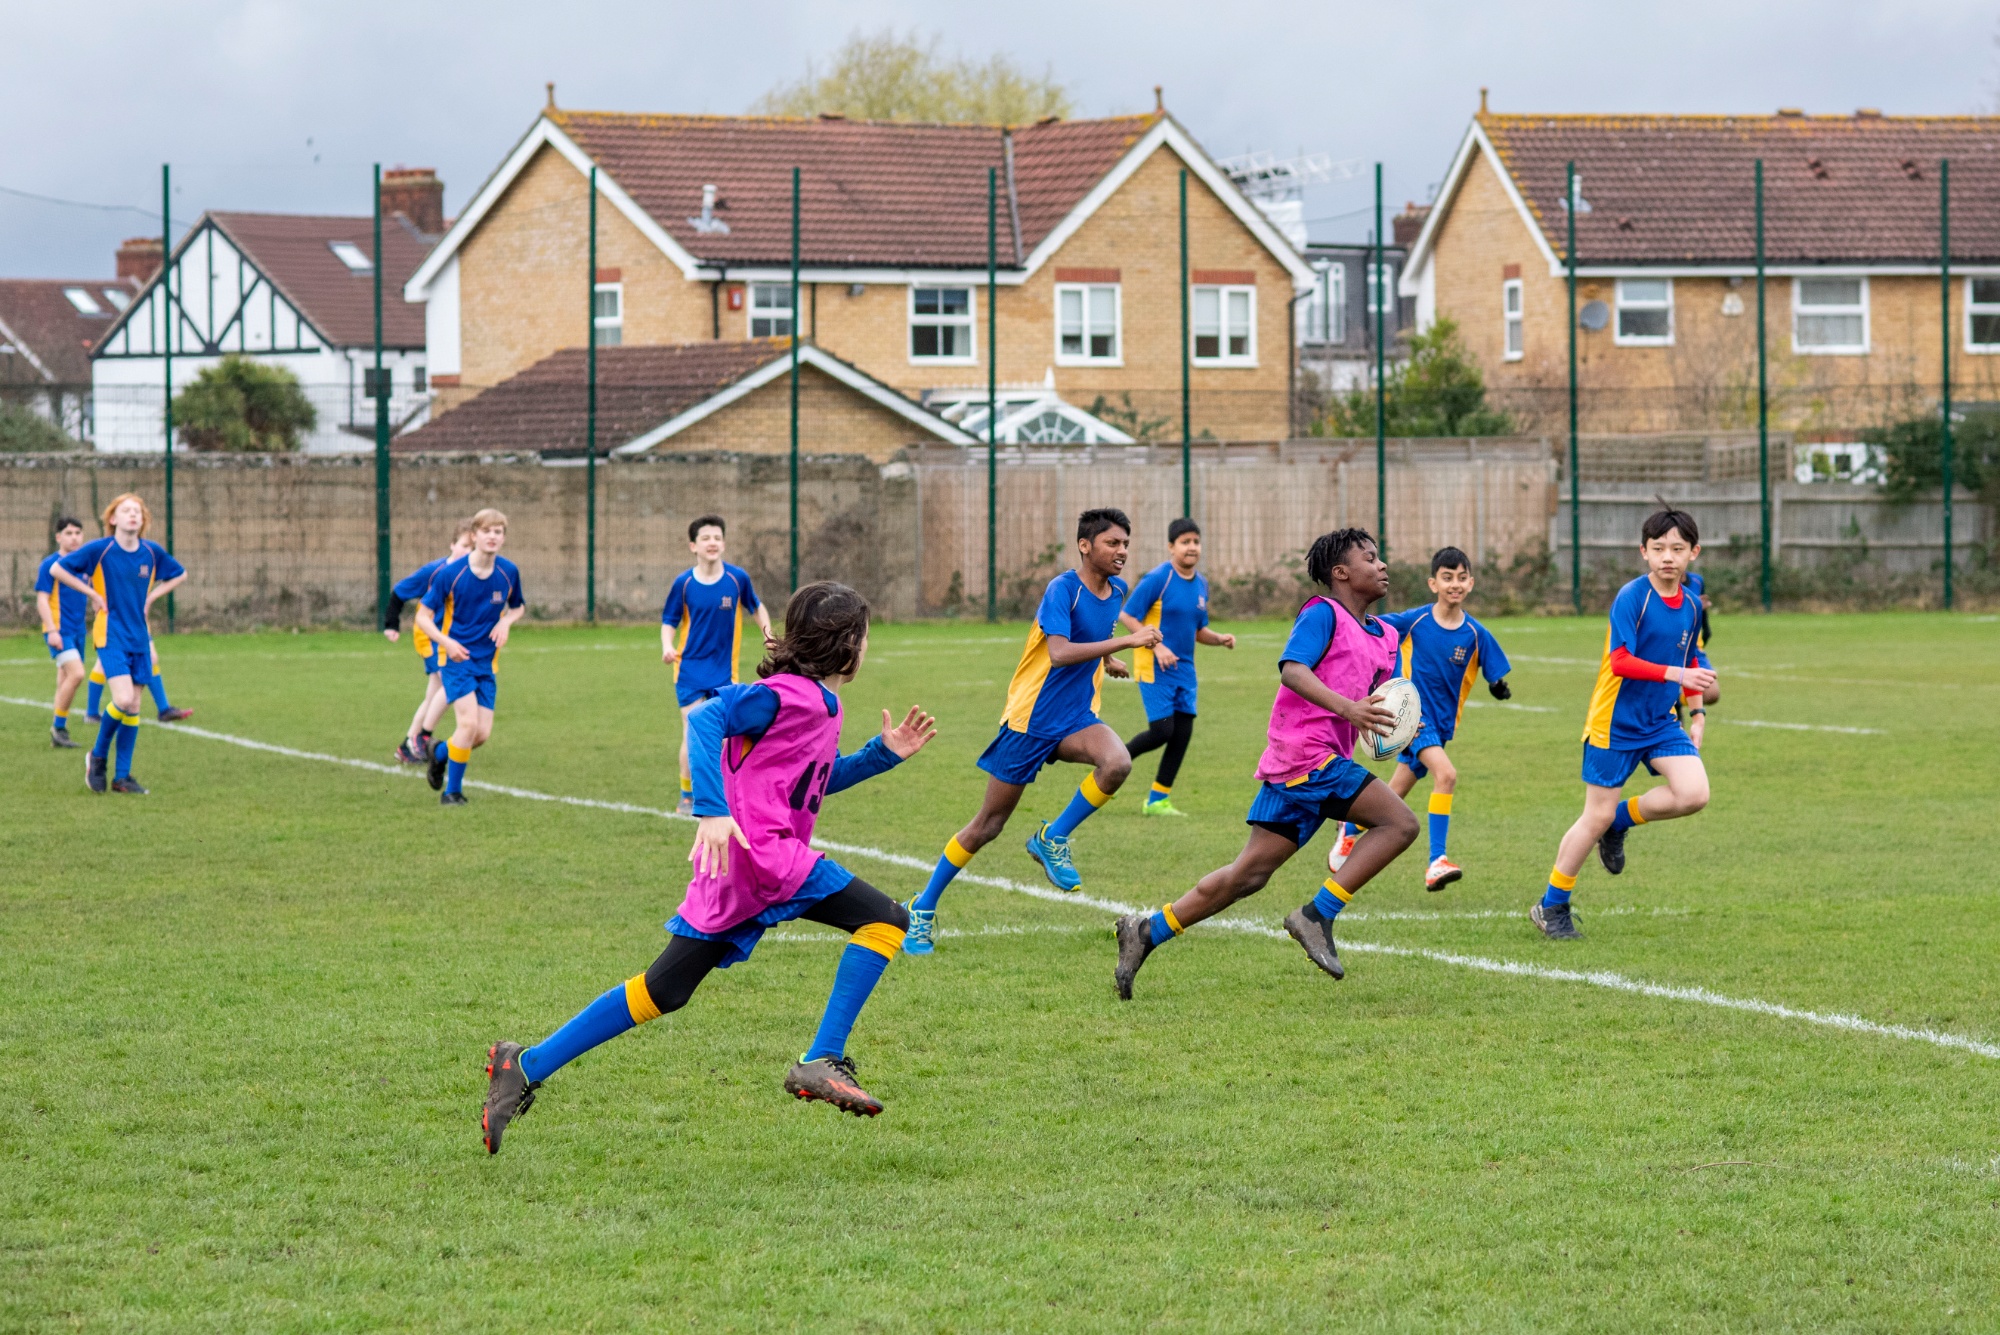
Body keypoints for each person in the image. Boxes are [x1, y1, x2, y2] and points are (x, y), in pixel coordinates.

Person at [480, 582, 938, 1151]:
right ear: (846, 643)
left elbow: (808, 787)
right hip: (765, 856)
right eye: (865, 637)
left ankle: (524, 1064)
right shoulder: (786, 695)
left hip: (745, 866)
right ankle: (820, 1059)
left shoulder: (822, 703)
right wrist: (711, 811)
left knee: (664, 989)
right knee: (887, 920)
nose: (868, 647)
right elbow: (705, 717)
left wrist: (879, 756)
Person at [1113, 528, 1417, 1000]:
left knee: (1247, 875)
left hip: (1315, 762)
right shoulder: (1322, 614)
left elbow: (1373, 703)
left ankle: (1146, 931)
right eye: (1370, 558)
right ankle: (1317, 914)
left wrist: (1391, 726)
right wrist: (1349, 709)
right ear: (1340, 573)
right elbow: (1293, 671)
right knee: (1400, 823)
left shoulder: (1387, 636)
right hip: (1305, 755)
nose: (1382, 565)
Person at [904, 508, 1162, 954]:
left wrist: (1107, 661)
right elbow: (1059, 652)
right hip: (1030, 721)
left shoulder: (1117, 590)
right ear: (1086, 546)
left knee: (1117, 762)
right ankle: (922, 909)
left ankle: (1052, 837)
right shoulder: (1061, 590)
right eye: (1112, 543)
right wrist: (1125, 644)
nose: (1122, 552)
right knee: (987, 825)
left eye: (1125, 543)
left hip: (1077, 716)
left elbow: (1093, 636)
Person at [1533, 507, 1714, 940]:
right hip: (1613, 722)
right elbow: (1621, 661)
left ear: (1694, 552)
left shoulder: (1691, 605)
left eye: (1677, 548)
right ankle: (1551, 905)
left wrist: (1699, 711)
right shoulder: (1633, 596)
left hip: (1661, 721)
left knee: (1694, 794)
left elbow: (1690, 659)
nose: (1668, 557)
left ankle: (1621, 820)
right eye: (1658, 549)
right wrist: (1679, 677)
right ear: (1643, 553)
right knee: (1591, 817)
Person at [1333, 546, 1513, 891]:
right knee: (1446, 774)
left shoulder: (1476, 634)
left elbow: (1494, 671)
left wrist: (1498, 685)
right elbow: (1374, 627)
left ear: (1471, 583)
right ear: (1433, 583)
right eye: (1447, 578)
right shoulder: (1415, 620)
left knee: (1394, 794)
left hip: (1443, 726)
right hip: (1413, 719)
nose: (1454, 584)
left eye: (1461, 578)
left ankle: (1350, 828)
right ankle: (1437, 861)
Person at [51, 494, 188, 795]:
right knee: (124, 700)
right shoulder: (101, 549)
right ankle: (98, 756)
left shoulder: (152, 552)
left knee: (135, 706)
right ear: (112, 518)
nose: (132, 515)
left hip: (139, 636)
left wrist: (152, 597)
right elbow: (57, 570)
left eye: (137, 511)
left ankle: (122, 777)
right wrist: (92, 594)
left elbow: (180, 573)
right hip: (110, 633)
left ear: (143, 519)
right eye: (125, 511)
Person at [1118, 517, 1236, 817]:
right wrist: (1156, 645)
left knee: (1182, 734)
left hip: (1185, 670)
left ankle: (1158, 800)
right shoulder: (1159, 578)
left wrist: (1219, 638)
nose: (1192, 547)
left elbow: (1198, 631)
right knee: (1162, 731)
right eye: (1185, 542)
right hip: (1154, 667)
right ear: (1171, 547)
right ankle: (1113, 759)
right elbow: (1128, 616)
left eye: (1196, 541)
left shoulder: (1201, 585)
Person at [662, 515, 773, 816]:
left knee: (724, 737)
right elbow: (669, 620)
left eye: (717, 537)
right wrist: (667, 646)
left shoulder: (737, 579)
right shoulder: (683, 583)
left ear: (723, 543)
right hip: (688, 671)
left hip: (725, 672)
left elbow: (757, 607)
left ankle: (722, 793)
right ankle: (687, 796)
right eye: (706, 538)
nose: (712, 542)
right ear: (693, 546)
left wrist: (768, 634)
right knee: (692, 731)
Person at [415, 509, 525, 806]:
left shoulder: (508, 572)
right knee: (467, 726)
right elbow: (423, 618)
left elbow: (518, 607)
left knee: (481, 735)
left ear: (503, 537)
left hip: (486, 663)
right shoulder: (451, 574)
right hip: (456, 659)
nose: (493, 537)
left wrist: (505, 622)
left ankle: (438, 754)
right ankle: (452, 792)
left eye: (498, 532)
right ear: (474, 536)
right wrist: (445, 642)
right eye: (487, 531)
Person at [382, 517, 476, 764]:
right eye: (465, 546)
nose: (469, 553)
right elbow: (399, 592)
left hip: (450, 638)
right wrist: (391, 625)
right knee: (451, 684)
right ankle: (421, 739)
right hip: (429, 636)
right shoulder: (436, 571)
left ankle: (409, 745)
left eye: (473, 549)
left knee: (435, 693)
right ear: (452, 544)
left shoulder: (474, 574)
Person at [34, 517, 89, 748]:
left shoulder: (85, 564)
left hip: (78, 631)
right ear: (58, 537)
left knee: (65, 679)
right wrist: (53, 631)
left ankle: (58, 732)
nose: (74, 537)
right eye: (68, 533)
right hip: (59, 632)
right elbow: (42, 600)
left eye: (78, 532)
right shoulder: (50, 565)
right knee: (77, 674)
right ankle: (58, 727)